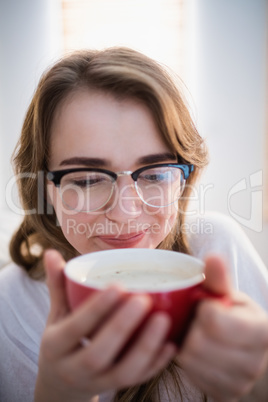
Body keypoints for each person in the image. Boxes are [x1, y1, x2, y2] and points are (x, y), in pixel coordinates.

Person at [0, 47, 268, 402]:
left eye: (155, 174)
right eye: (86, 180)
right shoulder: (11, 305)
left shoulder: (219, 250)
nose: (125, 212)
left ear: (183, 179)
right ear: (47, 189)